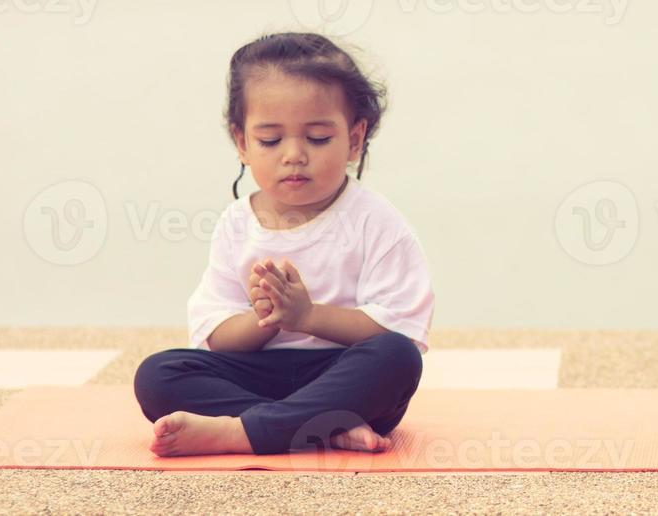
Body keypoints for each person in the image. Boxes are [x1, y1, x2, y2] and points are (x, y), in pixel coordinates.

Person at [133, 32, 433, 456]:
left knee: (397, 357)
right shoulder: (238, 222)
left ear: (354, 138)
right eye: (271, 141)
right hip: (260, 375)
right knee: (158, 374)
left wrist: (307, 316)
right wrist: (266, 317)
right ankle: (314, 429)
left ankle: (242, 432)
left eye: (317, 138)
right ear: (242, 143)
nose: (294, 154)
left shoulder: (375, 221)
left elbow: (401, 327)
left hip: (343, 380)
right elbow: (216, 335)